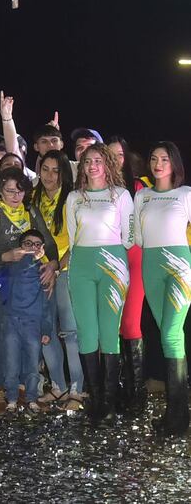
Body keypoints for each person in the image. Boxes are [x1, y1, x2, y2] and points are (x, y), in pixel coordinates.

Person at [0, 168, 58, 414]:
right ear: (0, 190)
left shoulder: (30, 211)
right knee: (2, 332)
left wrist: (52, 265)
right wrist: (5, 255)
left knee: (29, 334)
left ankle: (23, 388)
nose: (15, 195)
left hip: (28, 280)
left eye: (19, 190)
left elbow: (49, 242)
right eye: (9, 190)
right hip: (0, 280)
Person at [65, 143, 134, 426]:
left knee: (109, 332)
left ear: (107, 164)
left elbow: (129, 236)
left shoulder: (121, 195)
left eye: (98, 160)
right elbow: (71, 237)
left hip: (113, 265)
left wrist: (110, 255)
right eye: (87, 161)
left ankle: (108, 400)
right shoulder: (73, 198)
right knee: (87, 332)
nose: (92, 165)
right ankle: (94, 397)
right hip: (81, 264)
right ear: (82, 167)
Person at [134, 141, 191, 436]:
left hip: (179, 266)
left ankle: (178, 416)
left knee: (171, 334)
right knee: (168, 334)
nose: (158, 164)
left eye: (164, 159)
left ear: (174, 163)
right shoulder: (141, 197)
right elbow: (139, 238)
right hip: (151, 267)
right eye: (154, 158)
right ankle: (178, 415)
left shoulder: (185, 194)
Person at [31, 150, 85, 410]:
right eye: (45, 169)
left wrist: (56, 266)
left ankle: (77, 388)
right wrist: (45, 267)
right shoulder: (32, 199)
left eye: (56, 170)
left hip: (66, 269)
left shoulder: (73, 199)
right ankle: (58, 386)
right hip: (39, 273)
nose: (50, 176)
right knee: (46, 333)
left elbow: (77, 242)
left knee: (71, 332)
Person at [107, 136, 148, 412]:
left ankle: (138, 392)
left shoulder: (139, 187)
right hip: (109, 262)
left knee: (131, 324)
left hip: (136, 260)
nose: (115, 160)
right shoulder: (98, 189)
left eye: (119, 155)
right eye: (109, 156)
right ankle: (119, 389)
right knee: (113, 327)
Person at [0, 230, 54, 413]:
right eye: (28, 243)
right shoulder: (11, 266)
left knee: (32, 365)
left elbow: (48, 304)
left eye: (37, 244)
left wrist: (46, 329)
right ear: (20, 246)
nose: (33, 248)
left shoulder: (44, 271)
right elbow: (2, 294)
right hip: (12, 321)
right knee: (11, 363)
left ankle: (31, 398)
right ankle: (12, 398)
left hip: (33, 323)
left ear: (43, 248)